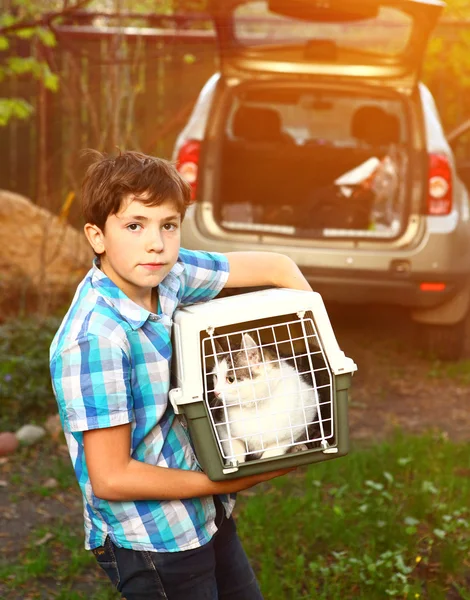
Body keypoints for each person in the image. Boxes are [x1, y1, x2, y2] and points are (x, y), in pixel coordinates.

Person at [49, 149, 313, 600]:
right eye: (134, 225)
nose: (156, 242)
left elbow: (278, 268)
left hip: (205, 512)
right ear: (97, 236)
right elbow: (111, 478)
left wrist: (321, 347)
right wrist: (228, 481)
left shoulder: (167, 275)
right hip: (152, 540)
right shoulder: (95, 338)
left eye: (168, 225)